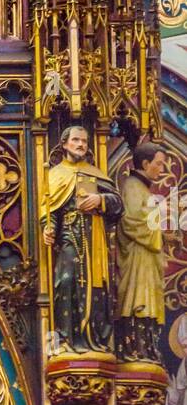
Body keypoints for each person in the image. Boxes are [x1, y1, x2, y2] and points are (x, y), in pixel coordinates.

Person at [41, 125, 123, 352]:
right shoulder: (55, 174)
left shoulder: (95, 173)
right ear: (65, 144)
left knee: (97, 290)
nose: (80, 145)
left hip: (95, 240)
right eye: (76, 140)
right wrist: (48, 228)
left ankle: (94, 340)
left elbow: (118, 205)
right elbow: (49, 210)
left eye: (84, 142)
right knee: (66, 282)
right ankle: (66, 339)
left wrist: (100, 200)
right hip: (69, 237)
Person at [116, 140, 167, 362]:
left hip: (146, 257)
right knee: (139, 300)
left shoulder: (142, 188)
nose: (162, 169)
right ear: (146, 164)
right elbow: (133, 222)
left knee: (148, 301)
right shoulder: (133, 187)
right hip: (138, 258)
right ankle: (136, 348)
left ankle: (146, 348)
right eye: (159, 164)